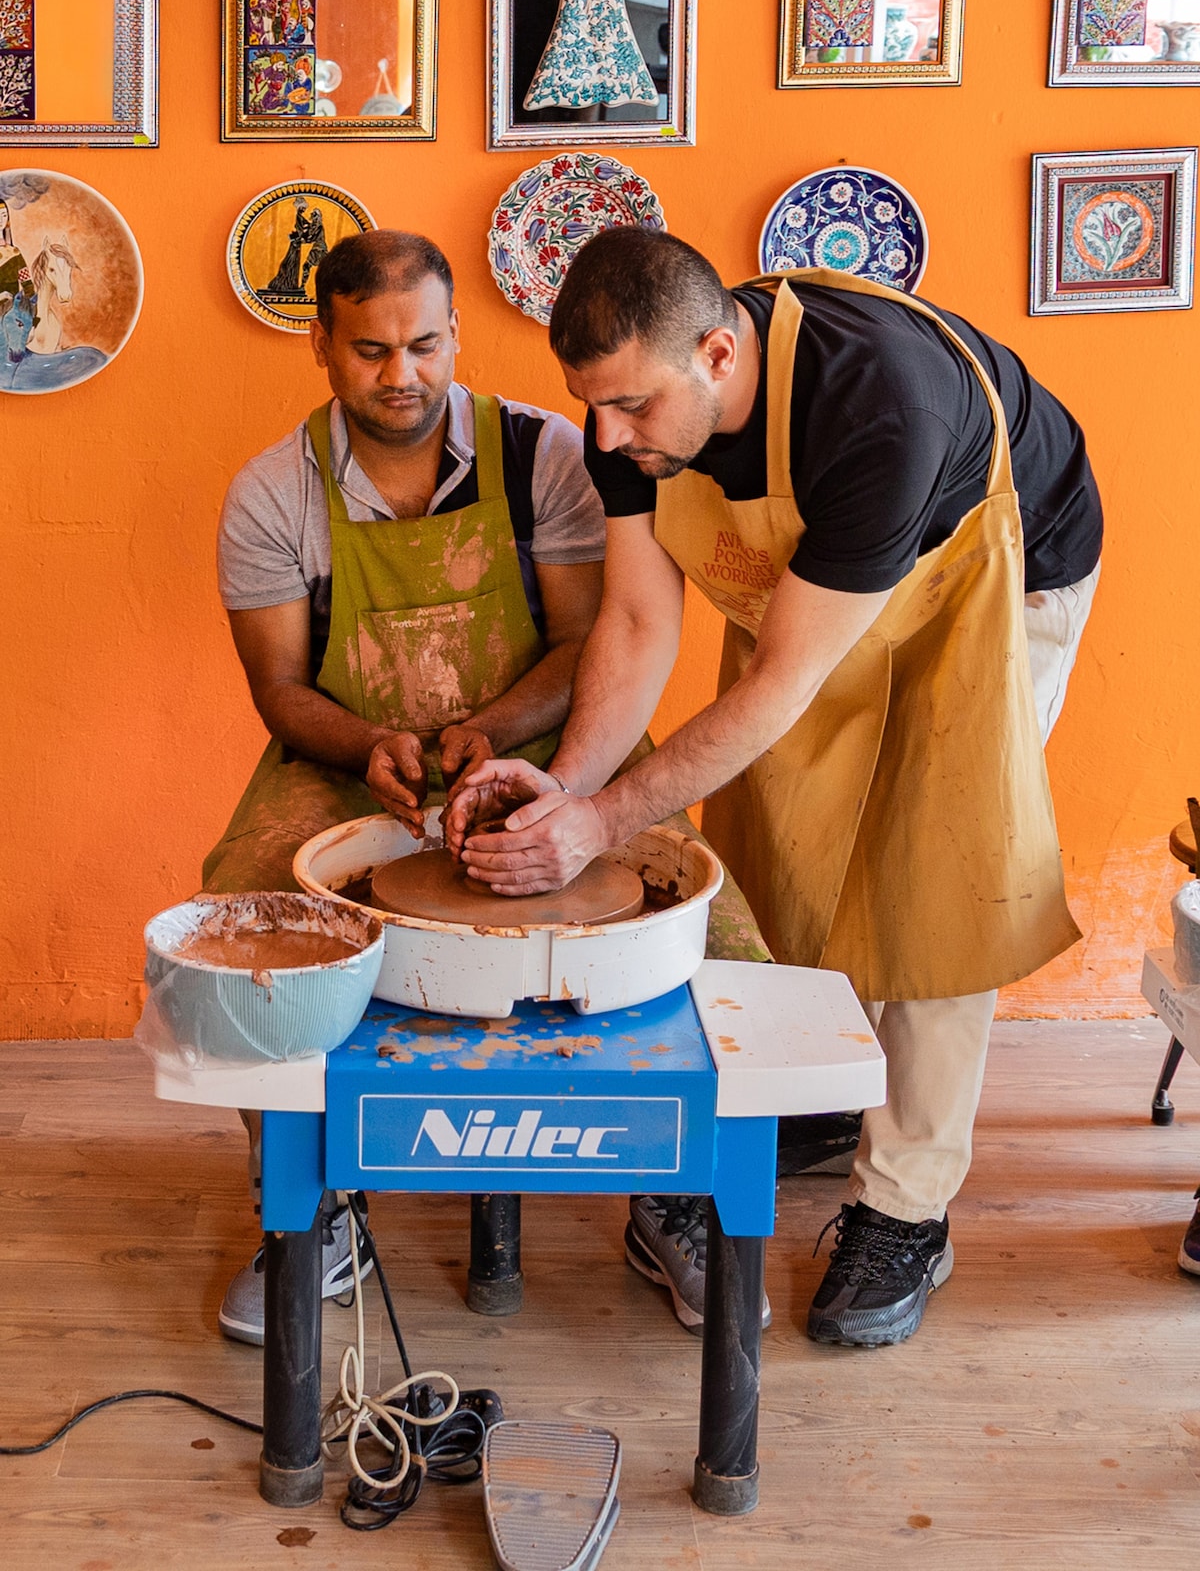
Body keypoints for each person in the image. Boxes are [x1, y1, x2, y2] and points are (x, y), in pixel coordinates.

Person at [446, 227, 1104, 1349]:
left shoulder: (878, 410)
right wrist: (565, 790)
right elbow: (643, 621)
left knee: (942, 872)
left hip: (991, 580)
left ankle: (905, 1202)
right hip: (826, 585)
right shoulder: (633, 405)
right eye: (588, 406)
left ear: (717, 354)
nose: (606, 437)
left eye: (633, 411)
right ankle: (813, 1088)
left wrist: (607, 821)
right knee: (768, 841)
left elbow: (783, 684)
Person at [203, 228, 610, 1345]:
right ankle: (306, 1206)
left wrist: (492, 729)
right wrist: (372, 742)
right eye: (372, 351)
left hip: (533, 751)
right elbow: (280, 688)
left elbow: (585, 650)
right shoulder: (271, 493)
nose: (403, 376)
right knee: (245, 916)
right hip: (354, 764)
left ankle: (672, 1196)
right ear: (323, 348)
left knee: (706, 918)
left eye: (424, 346)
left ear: (455, 336)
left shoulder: (545, 456)